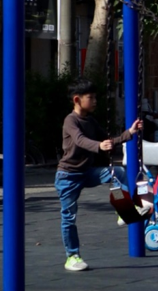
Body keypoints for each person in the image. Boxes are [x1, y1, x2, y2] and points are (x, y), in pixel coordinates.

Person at [55, 79, 144, 272]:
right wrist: (98, 146)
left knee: (117, 172)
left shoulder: (91, 121)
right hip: (68, 176)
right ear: (77, 100)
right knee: (69, 217)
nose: (95, 101)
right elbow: (79, 140)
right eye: (91, 98)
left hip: (86, 172)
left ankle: (123, 210)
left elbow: (108, 140)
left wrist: (130, 132)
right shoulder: (71, 120)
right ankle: (72, 256)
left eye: (95, 97)